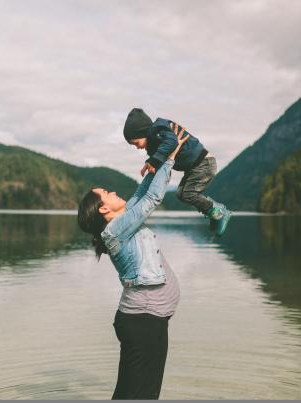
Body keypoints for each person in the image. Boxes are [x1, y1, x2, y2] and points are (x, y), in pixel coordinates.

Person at [77, 127, 189, 400]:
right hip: (144, 322)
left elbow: (140, 195)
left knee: (131, 392)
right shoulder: (114, 231)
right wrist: (170, 160)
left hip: (145, 321)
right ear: (104, 209)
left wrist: (156, 162)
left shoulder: (120, 223)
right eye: (107, 192)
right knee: (142, 394)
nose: (113, 191)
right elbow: (151, 199)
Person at [123, 107, 232, 236]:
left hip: (203, 163)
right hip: (194, 167)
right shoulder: (154, 141)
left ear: (144, 132)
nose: (137, 147)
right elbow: (160, 154)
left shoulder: (158, 128)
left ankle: (218, 212)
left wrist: (154, 161)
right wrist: (150, 162)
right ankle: (213, 212)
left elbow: (172, 142)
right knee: (180, 194)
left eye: (136, 143)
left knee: (187, 194)